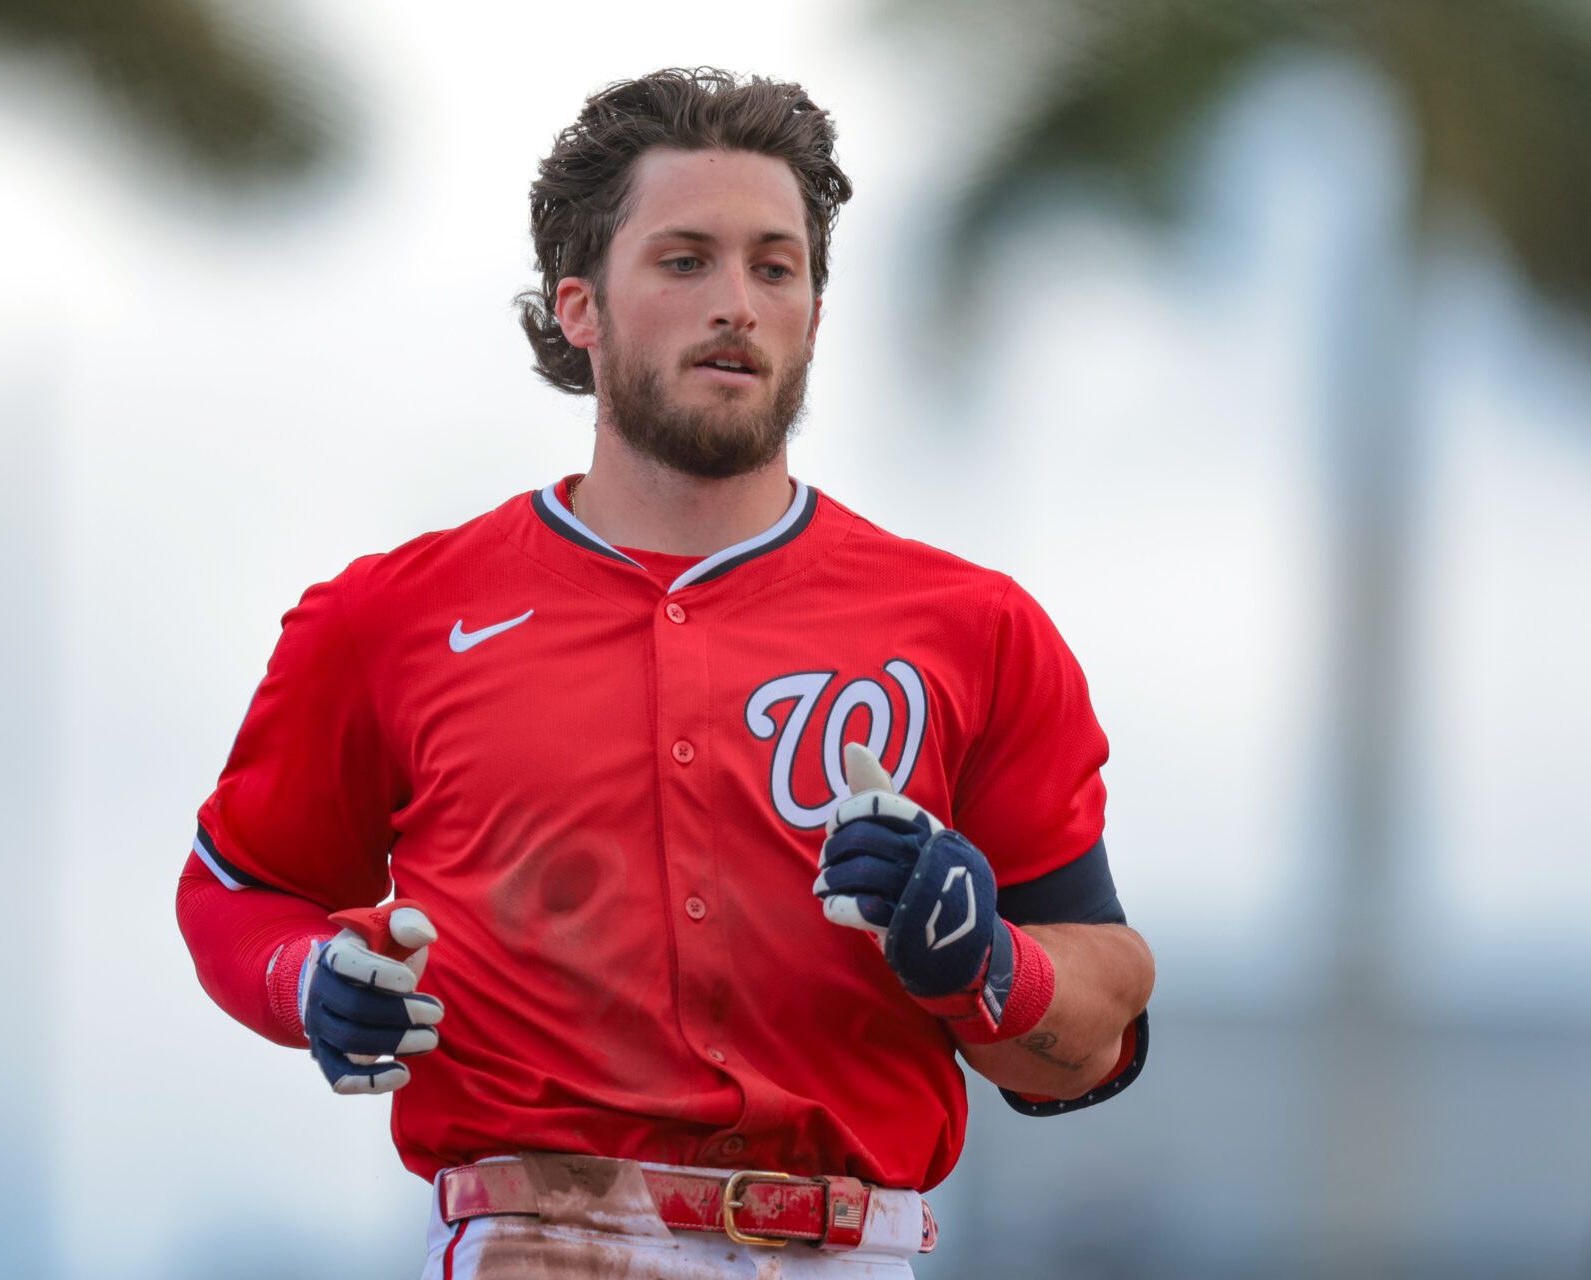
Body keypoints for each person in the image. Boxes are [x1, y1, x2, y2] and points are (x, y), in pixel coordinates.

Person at [176, 67, 1155, 1279]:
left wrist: (989, 962)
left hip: (853, 1246)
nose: (737, 303)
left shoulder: (975, 628)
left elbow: (1094, 1032)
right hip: (540, 1242)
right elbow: (234, 889)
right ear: (578, 308)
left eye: (775, 265)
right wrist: (312, 977)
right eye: (685, 260)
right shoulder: (393, 616)